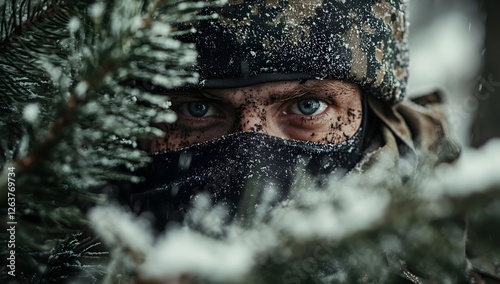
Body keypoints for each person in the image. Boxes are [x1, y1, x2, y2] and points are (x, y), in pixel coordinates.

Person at [123, 0, 482, 281]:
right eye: (198, 109)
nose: (252, 161)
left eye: (308, 106)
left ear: (372, 116)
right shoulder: (70, 255)